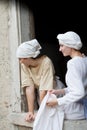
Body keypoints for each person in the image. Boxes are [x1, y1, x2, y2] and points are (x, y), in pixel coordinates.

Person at [16, 39, 65, 122]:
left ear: (29, 57)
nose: (20, 62)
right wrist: (30, 111)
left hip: (54, 91)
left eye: (21, 59)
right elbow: (29, 87)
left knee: (55, 118)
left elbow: (44, 89)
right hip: (42, 94)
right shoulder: (24, 65)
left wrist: (42, 112)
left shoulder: (46, 62)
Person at [46, 31, 87, 121]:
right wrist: (60, 91)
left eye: (62, 45)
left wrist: (57, 101)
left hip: (80, 109)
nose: (60, 49)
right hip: (83, 107)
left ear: (70, 46)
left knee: (49, 115)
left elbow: (79, 92)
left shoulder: (73, 63)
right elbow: (80, 86)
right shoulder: (84, 60)